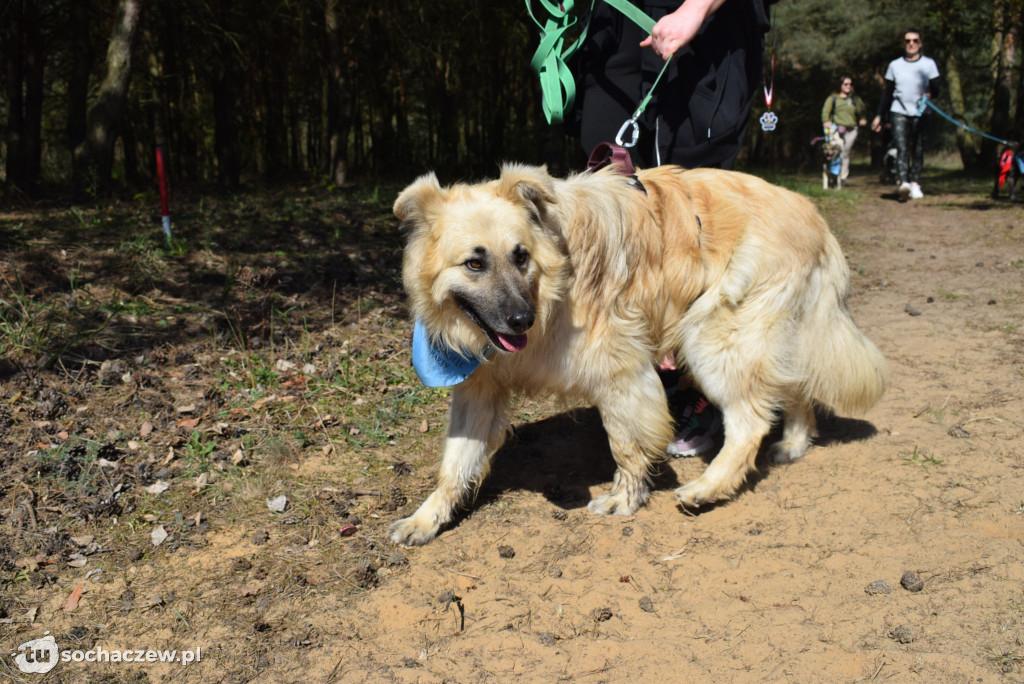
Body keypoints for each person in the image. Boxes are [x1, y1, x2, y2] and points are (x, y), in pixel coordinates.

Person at [573, 0, 774, 456]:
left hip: (704, 37)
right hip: (615, 34)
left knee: (694, 220)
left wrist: (696, 9)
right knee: (608, 207)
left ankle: (698, 391)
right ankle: (636, 384)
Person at [575, 0, 775, 171]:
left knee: (688, 187)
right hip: (617, 20)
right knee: (604, 174)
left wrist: (695, 9)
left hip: (705, 26)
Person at [871, 30, 940, 201]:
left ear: (920, 43)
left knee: (918, 149)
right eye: (908, 41)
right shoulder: (895, 65)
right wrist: (879, 115)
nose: (911, 44)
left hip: (921, 112)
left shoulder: (929, 64)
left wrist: (930, 94)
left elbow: (936, 89)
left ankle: (915, 182)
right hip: (899, 111)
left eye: (915, 40)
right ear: (904, 44)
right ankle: (904, 183)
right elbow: (887, 93)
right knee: (901, 148)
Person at [821, 76, 868, 186]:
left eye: (850, 84)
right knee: (837, 151)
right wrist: (826, 121)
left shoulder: (854, 99)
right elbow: (825, 112)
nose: (848, 86)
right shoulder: (833, 98)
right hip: (836, 129)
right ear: (840, 85)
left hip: (851, 129)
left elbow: (862, 111)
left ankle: (842, 177)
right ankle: (833, 175)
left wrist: (863, 119)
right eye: (846, 84)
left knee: (845, 152)